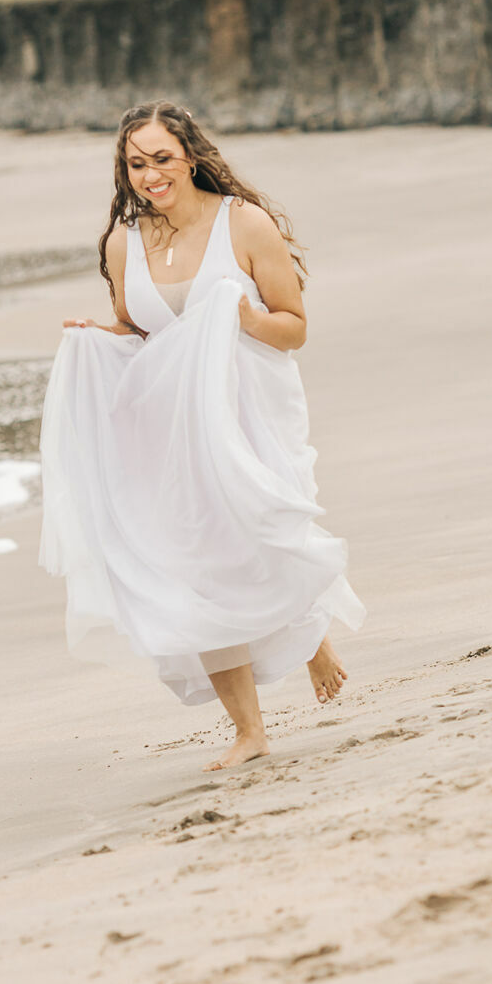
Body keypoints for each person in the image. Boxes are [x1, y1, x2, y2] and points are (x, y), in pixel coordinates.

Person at [39, 101, 364, 770]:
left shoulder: (242, 224)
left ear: (189, 155)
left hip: (249, 410)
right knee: (196, 567)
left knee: (260, 538)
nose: (150, 174)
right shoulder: (124, 242)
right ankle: (249, 730)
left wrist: (240, 317)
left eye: (161, 158)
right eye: (136, 163)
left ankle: (310, 636)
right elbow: (141, 334)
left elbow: (294, 325)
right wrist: (97, 341)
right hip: (170, 421)